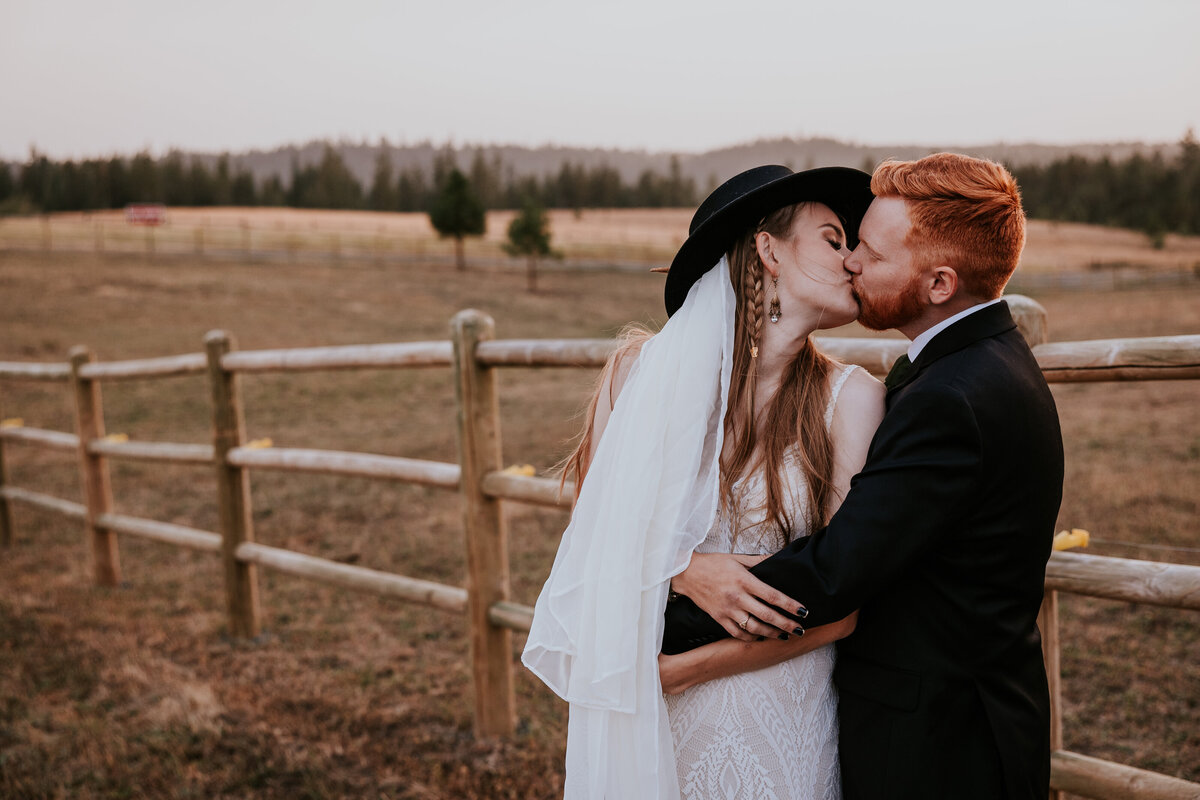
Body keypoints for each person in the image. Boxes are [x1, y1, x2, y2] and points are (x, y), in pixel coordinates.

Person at [661, 153, 1065, 800]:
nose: (852, 262)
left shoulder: (954, 396)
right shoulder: (978, 365)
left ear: (939, 284)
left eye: (872, 255)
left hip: (937, 746)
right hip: (949, 723)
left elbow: (835, 570)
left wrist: (664, 618)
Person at [522, 164, 879, 800]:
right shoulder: (635, 377)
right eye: (833, 238)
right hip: (653, 725)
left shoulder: (851, 402)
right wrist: (688, 570)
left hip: (780, 723)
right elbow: (595, 538)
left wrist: (685, 669)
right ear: (769, 250)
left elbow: (843, 611)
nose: (854, 258)